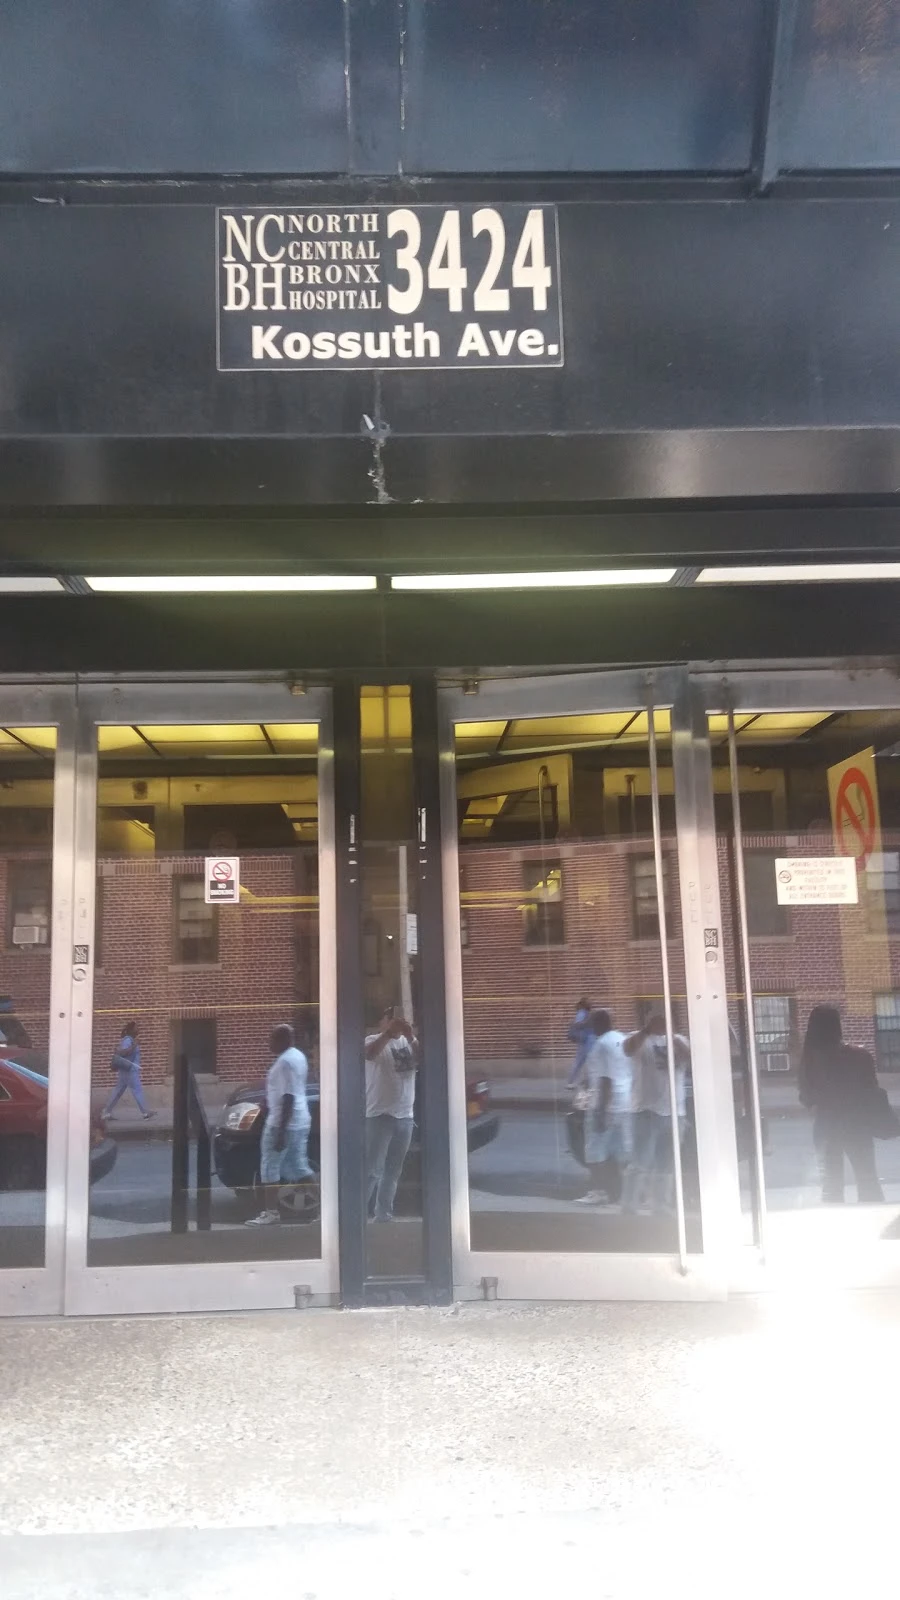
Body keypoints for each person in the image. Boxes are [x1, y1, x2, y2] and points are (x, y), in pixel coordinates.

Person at [799, 1005, 884, 1204]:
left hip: (826, 1124)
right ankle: (874, 1217)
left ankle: (836, 1219)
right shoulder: (860, 1056)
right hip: (857, 1123)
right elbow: (872, 1089)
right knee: (868, 1179)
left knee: (831, 1185)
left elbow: (806, 1097)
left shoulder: (810, 1059)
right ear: (837, 1026)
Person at [245, 1023, 314, 1226]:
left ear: (284, 1040)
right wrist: (268, 1100)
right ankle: (325, 1210)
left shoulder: (285, 1062)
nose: (269, 1043)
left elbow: (288, 1097)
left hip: (281, 1123)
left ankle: (271, 1213)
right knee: (300, 1166)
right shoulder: (298, 1056)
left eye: (273, 1039)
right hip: (300, 1120)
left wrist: (281, 1132)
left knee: (270, 1166)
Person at [621, 1012, 690, 1214]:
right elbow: (627, 1049)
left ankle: (660, 1205)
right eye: (656, 1021)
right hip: (645, 1110)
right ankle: (629, 1205)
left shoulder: (679, 1040)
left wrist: (672, 1035)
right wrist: (646, 1031)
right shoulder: (638, 1038)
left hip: (675, 1111)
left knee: (666, 1163)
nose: (660, 1024)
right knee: (639, 1162)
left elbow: (689, 1057)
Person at [366, 1006, 417, 1222]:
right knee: (372, 1170)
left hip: (405, 1116)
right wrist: (388, 1033)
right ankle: (356, 1216)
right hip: (380, 1114)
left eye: (401, 1020)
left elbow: (425, 1059)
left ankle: (384, 1214)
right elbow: (369, 1053)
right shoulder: (372, 1039)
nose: (398, 1024)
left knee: (393, 1170)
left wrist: (410, 1035)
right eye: (393, 1020)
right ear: (383, 1022)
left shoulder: (409, 1043)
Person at [575, 1010, 631, 1206]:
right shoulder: (622, 1039)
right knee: (621, 1152)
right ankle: (624, 1194)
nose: (589, 1028)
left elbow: (606, 1079)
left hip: (606, 1104)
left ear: (597, 1024)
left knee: (595, 1151)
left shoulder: (601, 1045)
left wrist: (601, 1110)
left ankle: (598, 1192)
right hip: (625, 1103)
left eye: (591, 1024)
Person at [102, 1021, 154, 1121]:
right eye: (136, 1028)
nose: (138, 1029)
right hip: (130, 1070)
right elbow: (123, 1053)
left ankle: (106, 1112)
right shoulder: (128, 1040)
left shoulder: (130, 1040)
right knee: (137, 1090)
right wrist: (135, 1045)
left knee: (118, 1091)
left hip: (126, 1070)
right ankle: (145, 1113)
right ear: (131, 1030)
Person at [566, 998, 593, 1089]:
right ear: (584, 1004)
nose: (591, 1004)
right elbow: (578, 1025)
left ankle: (580, 1082)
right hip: (585, 1040)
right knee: (580, 1062)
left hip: (587, 1040)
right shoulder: (582, 1013)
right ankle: (571, 1082)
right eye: (589, 1002)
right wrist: (588, 1022)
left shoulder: (585, 1013)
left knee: (583, 1062)